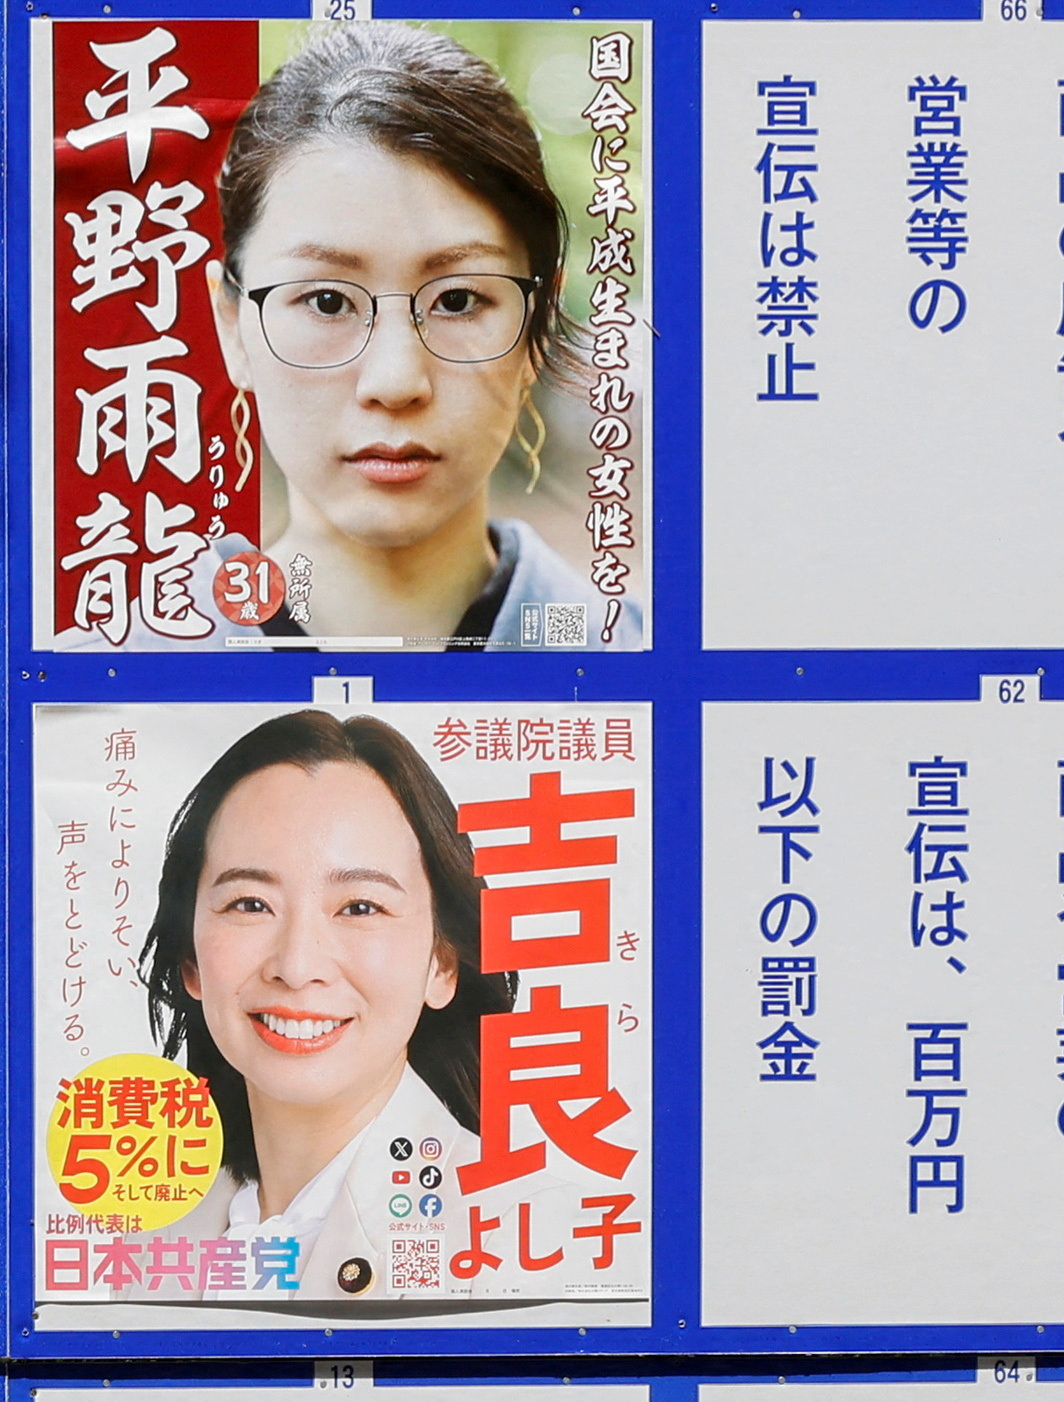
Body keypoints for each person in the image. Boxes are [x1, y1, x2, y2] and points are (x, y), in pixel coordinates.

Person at [220, 28, 639, 651]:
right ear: (232, 325)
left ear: (538, 323)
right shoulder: (96, 690)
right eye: (327, 301)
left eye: (459, 300)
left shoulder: (646, 678)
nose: (394, 381)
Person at [131, 706, 505, 1306]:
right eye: (250, 904)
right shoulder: (133, 1248)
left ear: (442, 963)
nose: (297, 965)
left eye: (360, 907)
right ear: (191, 961)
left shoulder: (525, 1233)